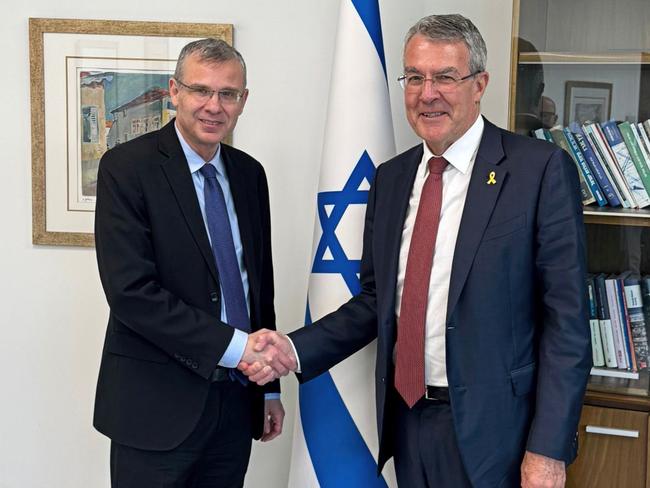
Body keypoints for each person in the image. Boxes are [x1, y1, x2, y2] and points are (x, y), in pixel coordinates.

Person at [241, 14, 591, 488]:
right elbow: (374, 301)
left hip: (498, 434)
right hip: (406, 421)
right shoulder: (391, 177)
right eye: (415, 78)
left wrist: (548, 449)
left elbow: (565, 323)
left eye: (445, 77)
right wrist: (292, 348)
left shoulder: (539, 171)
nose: (428, 93)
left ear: (479, 83)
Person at [93, 38, 295, 488]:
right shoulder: (127, 169)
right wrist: (240, 350)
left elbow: (256, 287)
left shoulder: (249, 174)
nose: (214, 106)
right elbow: (132, 294)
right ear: (174, 91)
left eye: (228, 94)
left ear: (243, 100)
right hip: (154, 410)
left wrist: (268, 388)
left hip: (235, 403)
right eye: (201, 90)